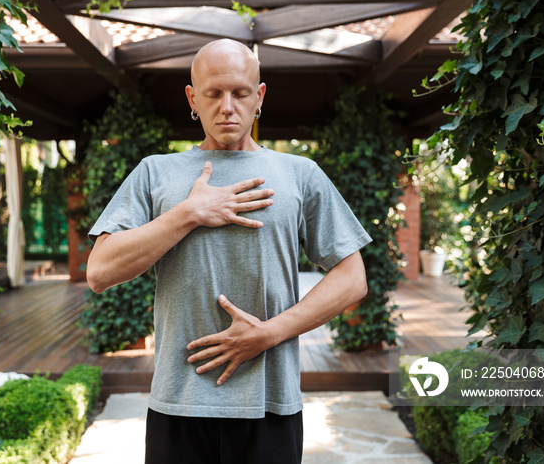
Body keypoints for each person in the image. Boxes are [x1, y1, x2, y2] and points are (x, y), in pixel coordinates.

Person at [86, 38, 371, 464]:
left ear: (259, 97)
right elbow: (100, 271)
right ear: (192, 98)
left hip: (269, 404)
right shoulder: (155, 172)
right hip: (178, 404)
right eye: (213, 93)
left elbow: (353, 279)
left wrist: (269, 333)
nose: (227, 106)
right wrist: (189, 213)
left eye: (239, 93)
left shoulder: (300, 174)